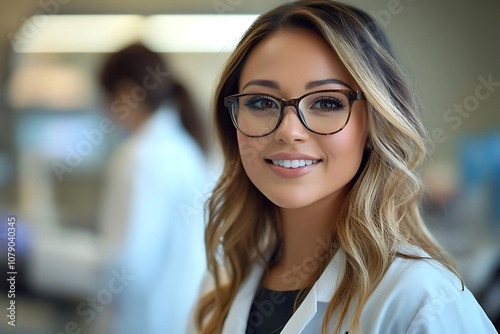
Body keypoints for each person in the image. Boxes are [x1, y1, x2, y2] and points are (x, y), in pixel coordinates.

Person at [190, 1, 497, 333]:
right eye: (261, 102)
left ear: (374, 123)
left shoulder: (422, 300)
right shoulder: (220, 285)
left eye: (326, 102)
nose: (288, 131)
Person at [98, 43, 208, 334]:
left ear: (124, 94)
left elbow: (127, 269)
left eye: (106, 100)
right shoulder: (183, 147)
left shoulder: (140, 156)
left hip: (144, 322)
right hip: (179, 318)